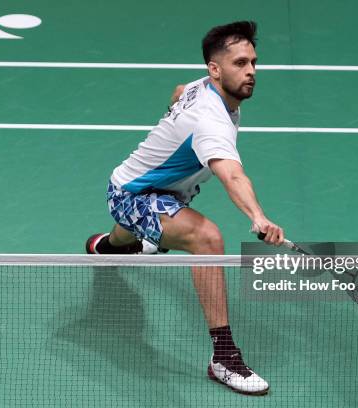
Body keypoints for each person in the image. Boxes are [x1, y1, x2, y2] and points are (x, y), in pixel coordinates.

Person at [86, 21, 284, 395]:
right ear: (216, 68)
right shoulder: (211, 122)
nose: (251, 72)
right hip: (133, 195)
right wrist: (258, 217)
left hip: (145, 186)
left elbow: (180, 91)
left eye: (253, 62)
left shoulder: (205, 85)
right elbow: (232, 176)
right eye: (240, 63)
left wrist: (171, 112)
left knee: (136, 232)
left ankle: (109, 248)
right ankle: (223, 357)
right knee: (207, 239)